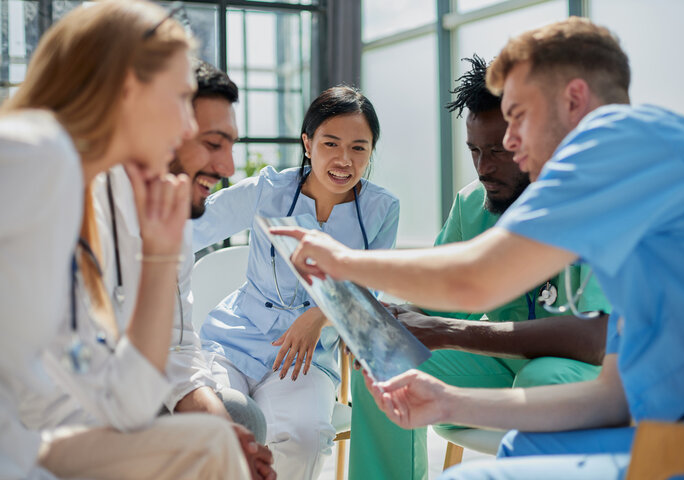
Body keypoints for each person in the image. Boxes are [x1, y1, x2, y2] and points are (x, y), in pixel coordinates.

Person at [274, 17, 684, 479]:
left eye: (519, 115)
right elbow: (613, 396)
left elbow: (474, 281)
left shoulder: (614, 143)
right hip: (666, 433)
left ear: (573, 100)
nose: (507, 141)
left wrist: (341, 261)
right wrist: (448, 401)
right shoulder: (641, 197)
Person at [1, 1, 249, 478]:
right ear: (129, 88)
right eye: (180, 98)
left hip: (26, 443)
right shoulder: (38, 152)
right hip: (21, 447)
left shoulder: (76, 199)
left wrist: (158, 257)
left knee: (214, 440)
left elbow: (127, 403)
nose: (185, 127)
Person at [347, 55, 610, 480]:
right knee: (387, 361)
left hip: (589, 378)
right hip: (504, 368)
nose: (484, 168)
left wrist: (446, 332)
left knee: (541, 377)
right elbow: (440, 303)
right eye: (474, 151)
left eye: (499, 152)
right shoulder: (474, 205)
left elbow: (596, 340)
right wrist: (388, 323)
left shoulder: (596, 204)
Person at [192, 85, 400, 480]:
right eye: (330, 143)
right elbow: (189, 228)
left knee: (304, 439)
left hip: (306, 358)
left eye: (359, 147)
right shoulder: (267, 191)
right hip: (234, 340)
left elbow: (370, 292)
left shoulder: (381, 209)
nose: (344, 160)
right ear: (308, 143)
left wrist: (319, 317)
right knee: (215, 422)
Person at [91, 60, 274, 479]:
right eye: (214, 144)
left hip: (134, 389)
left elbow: (177, 346)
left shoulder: (173, 224)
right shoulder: (84, 210)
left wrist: (223, 433)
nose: (229, 168)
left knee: (240, 420)